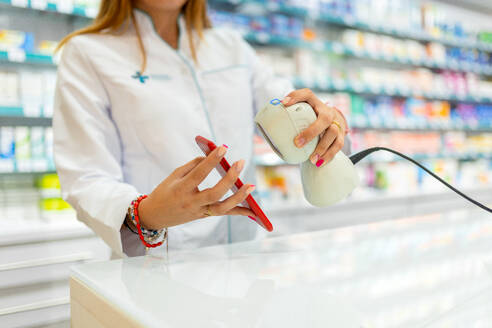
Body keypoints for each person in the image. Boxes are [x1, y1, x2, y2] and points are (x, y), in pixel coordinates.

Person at [53, 0, 349, 258]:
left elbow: (283, 104)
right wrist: (146, 214)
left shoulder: (231, 46)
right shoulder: (87, 53)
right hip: (161, 266)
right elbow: (86, 177)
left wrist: (321, 122)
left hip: (250, 260)